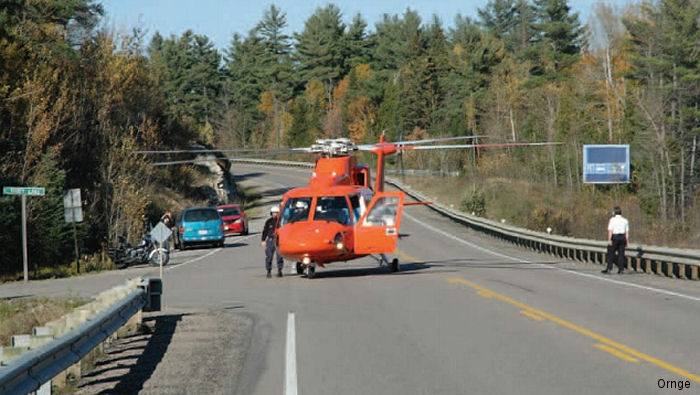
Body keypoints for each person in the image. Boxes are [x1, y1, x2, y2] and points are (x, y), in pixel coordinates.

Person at [602, 206, 629, 274]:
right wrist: (627, 241)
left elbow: (610, 230)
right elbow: (627, 232)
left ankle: (609, 268)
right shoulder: (625, 220)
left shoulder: (612, 220)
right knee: (621, 254)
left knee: (610, 253)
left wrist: (609, 239)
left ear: (614, 212)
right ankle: (621, 269)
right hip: (622, 237)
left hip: (615, 237)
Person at [261, 205, 284, 278]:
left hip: (279, 240)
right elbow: (265, 231)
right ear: (271, 213)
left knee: (279, 256)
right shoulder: (268, 221)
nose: (275, 214)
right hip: (270, 239)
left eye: (276, 213)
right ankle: (268, 271)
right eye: (273, 213)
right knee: (269, 256)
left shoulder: (281, 221)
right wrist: (263, 240)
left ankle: (279, 270)